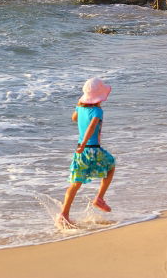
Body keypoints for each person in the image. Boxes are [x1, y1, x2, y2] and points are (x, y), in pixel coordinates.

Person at [57, 77, 116, 228]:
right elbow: (91, 127)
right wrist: (84, 143)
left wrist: (79, 106)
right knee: (111, 165)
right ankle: (99, 198)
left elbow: (74, 118)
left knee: (75, 183)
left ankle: (64, 215)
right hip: (92, 149)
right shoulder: (97, 111)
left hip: (80, 151)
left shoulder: (80, 108)